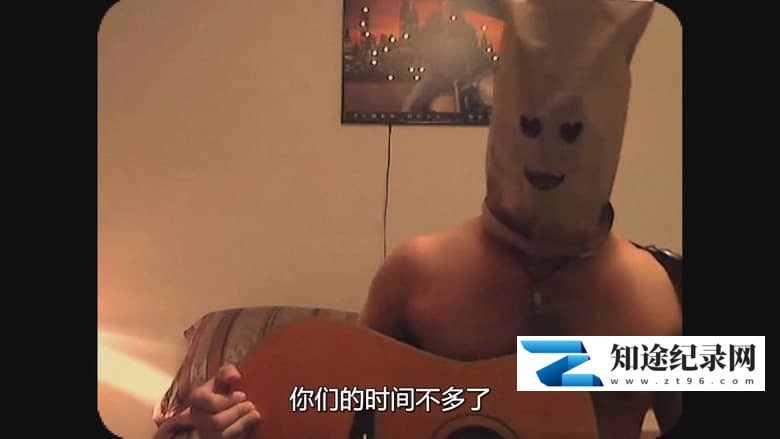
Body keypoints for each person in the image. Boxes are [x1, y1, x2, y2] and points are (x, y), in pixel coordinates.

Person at [186, 1, 682, 438]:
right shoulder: (415, 271)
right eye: (529, 126)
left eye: (572, 132)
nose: (547, 154)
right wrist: (241, 414)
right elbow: (343, 407)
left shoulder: (661, 292)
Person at [401, 0, 486, 113]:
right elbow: (422, 46)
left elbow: (475, 57)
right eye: (448, 4)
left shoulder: (467, 30)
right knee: (413, 103)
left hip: (462, 78)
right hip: (435, 78)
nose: (451, 9)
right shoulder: (432, 26)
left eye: (454, 5)